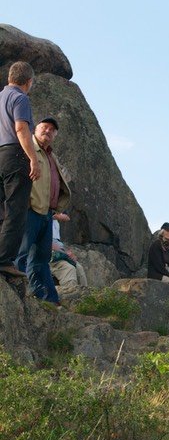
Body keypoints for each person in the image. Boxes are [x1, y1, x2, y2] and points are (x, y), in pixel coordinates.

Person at [16, 117, 71, 304]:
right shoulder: (27, 148)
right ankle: (15, 295)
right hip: (30, 209)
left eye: (52, 130)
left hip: (47, 212)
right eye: (44, 127)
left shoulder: (50, 155)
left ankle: (47, 299)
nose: (48, 131)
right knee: (20, 253)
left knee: (41, 258)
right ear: (35, 129)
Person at [0, 61, 40, 277]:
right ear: (28, 82)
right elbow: (21, 128)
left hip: (0, 155)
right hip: (16, 155)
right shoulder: (19, 98)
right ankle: (4, 260)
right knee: (15, 211)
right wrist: (33, 158)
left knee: (2, 210)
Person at [50, 212, 87, 287]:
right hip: (49, 256)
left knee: (78, 268)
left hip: (59, 253)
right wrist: (65, 254)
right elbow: (46, 243)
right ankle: (70, 296)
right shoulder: (41, 219)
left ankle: (85, 295)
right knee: (69, 269)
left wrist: (66, 253)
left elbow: (66, 217)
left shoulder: (54, 218)